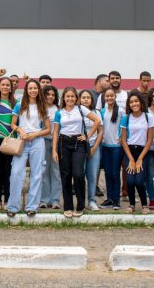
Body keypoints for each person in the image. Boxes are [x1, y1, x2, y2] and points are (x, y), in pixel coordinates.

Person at [52, 87, 100, 218]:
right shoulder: (59, 112)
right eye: (67, 96)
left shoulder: (81, 109)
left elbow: (97, 121)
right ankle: (68, 206)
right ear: (64, 98)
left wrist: (87, 136)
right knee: (65, 175)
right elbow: (56, 131)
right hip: (63, 142)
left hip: (79, 143)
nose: (70, 99)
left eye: (72, 96)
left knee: (78, 174)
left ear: (76, 98)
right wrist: (54, 150)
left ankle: (80, 205)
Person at [6, 79, 51, 217]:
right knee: (16, 172)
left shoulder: (43, 106)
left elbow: (48, 129)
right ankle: (13, 206)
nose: (33, 90)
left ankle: (32, 207)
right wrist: (21, 131)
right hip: (21, 141)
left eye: (35, 88)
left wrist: (36, 134)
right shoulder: (19, 105)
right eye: (30, 88)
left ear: (38, 90)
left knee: (37, 174)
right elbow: (13, 124)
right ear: (26, 90)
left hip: (37, 142)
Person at [120, 91, 154, 214]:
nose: (134, 104)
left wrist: (140, 159)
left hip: (143, 152)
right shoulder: (126, 118)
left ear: (141, 102)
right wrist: (131, 159)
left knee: (139, 181)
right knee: (130, 181)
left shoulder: (148, 117)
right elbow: (124, 141)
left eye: (136, 101)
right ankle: (131, 205)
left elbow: (150, 140)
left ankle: (145, 205)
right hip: (129, 152)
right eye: (131, 102)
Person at [0, 76, 16, 210]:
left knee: (8, 171)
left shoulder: (15, 103)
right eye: (3, 85)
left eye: (8, 85)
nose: (5, 87)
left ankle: (7, 199)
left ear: (11, 88)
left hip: (10, 140)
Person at [99, 88, 124, 210]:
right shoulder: (102, 111)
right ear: (104, 98)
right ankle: (109, 199)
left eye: (111, 96)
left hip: (116, 148)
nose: (109, 98)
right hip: (105, 146)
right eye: (107, 96)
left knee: (115, 173)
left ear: (115, 97)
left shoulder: (121, 111)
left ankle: (116, 201)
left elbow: (126, 126)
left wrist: (123, 137)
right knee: (108, 173)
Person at [79, 90, 103, 211]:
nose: (86, 99)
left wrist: (94, 148)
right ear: (79, 99)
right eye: (83, 97)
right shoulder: (77, 112)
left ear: (92, 100)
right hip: (79, 148)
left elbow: (100, 132)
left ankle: (92, 200)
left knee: (92, 175)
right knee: (80, 175)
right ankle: (81, 201)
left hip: (94, 146)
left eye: (88, 97)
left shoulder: (96, 112)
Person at [39, 85, 62, 209]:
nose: (51, 97)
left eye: (53, 95)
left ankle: (55, 200)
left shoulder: (58, 109)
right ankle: (43, 199)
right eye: (48, 94)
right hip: (42, 141)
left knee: (56, 172)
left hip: (56, 143)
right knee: (44, 171)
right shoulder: (40, 108)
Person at [109, 70, 128, 198]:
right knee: (111, 169)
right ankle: (111, 193)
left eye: (117, 78)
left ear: (120, 80)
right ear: (109, 80)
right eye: (112, 78)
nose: (115, 80)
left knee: (125, 166)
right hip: (109, 139)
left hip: (123, 137)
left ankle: (125, 191)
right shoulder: (104, 95)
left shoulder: (126, 95)